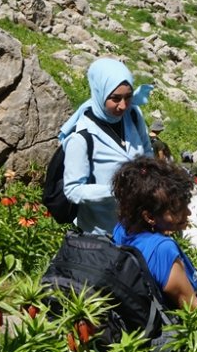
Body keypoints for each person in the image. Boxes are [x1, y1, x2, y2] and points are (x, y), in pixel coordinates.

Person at [58, 58, 154, 235]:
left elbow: (147, 151)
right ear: (100, 93)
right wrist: (116, 190)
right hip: (101, 232)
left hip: (138, 225)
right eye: (115, 99)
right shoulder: (82, 136)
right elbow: (73, 190)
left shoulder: (133, 115)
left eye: (128, 97)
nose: (123, 106)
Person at [111, 156, 197, 310]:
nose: (187, 213)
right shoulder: (163, 249)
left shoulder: (123, 227)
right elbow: (193, 308)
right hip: (175, 314)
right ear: (149, 217)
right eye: (176, 210)